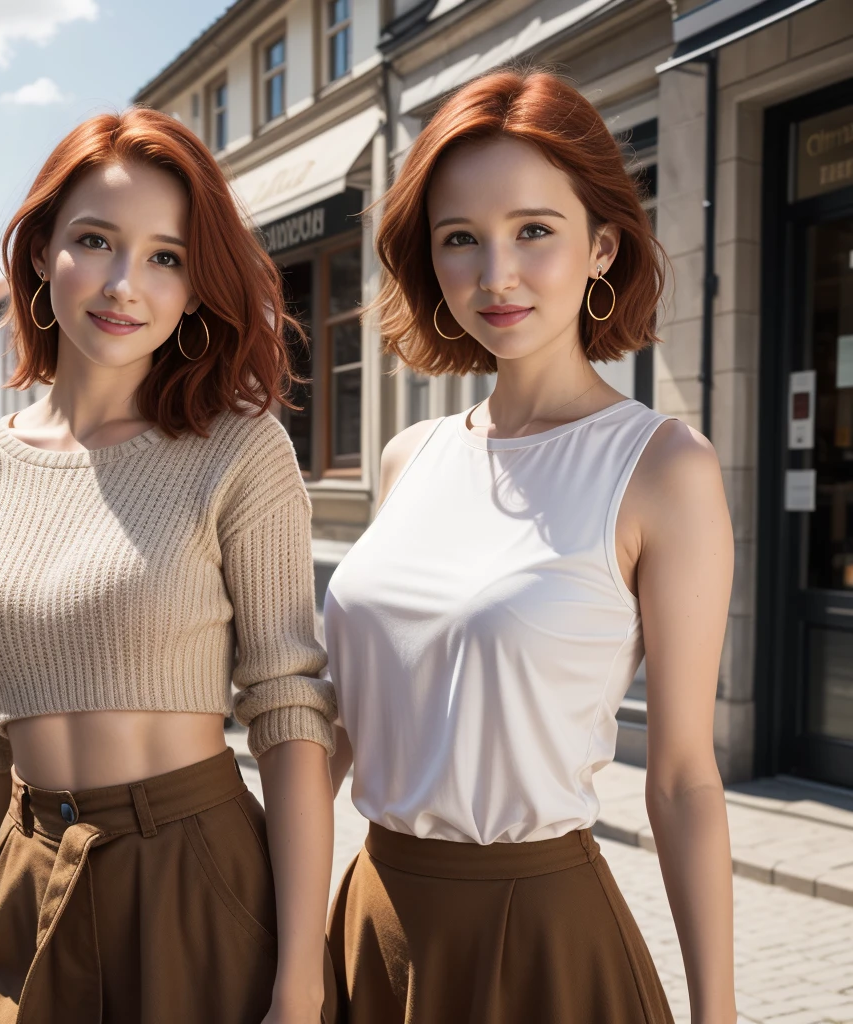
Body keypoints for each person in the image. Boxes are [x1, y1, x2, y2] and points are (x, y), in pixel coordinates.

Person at [324, 70, 736, 1024]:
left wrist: (718, 1014)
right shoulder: (409, 457)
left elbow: (680, 777)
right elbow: (339, 730)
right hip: (373, 923)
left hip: (538, 943)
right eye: (459, 239)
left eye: (533, 231)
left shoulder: (663, 466)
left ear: (601, 246)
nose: (494, 273)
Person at [0, 108, 337, 1024]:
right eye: (94, 241)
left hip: (195, 876)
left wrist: (300, 981)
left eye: (165, 256)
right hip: (25, 881)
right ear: (39, 254)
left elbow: (289, 713)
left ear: (195, 284)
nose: (121, 284)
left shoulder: (238, 450)